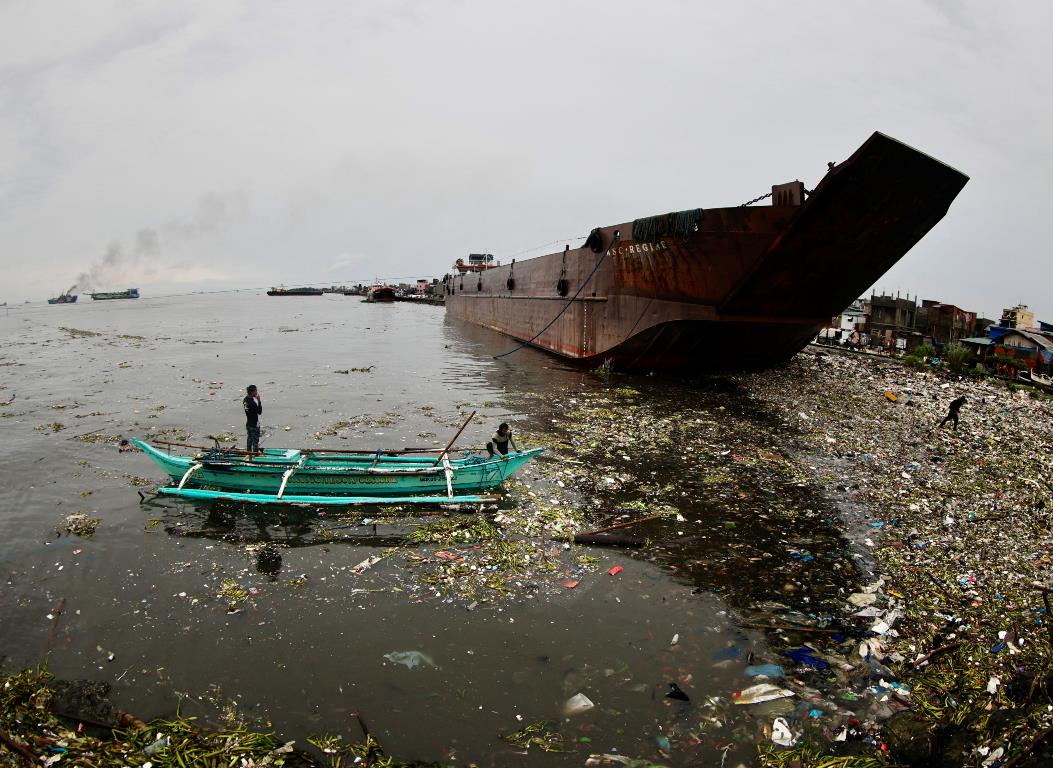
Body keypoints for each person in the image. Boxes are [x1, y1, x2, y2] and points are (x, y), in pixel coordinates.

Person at [243, 385, 263, 452]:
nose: (256, 393)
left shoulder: (245, 400)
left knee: (249, 439)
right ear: (252, 392)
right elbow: (259, 412)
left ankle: (248, 452)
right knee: (255, 440)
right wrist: (259, 401)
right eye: (255, 391)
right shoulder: (252, 403)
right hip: (254, 424)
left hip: (248, 423)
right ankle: (255, 453)